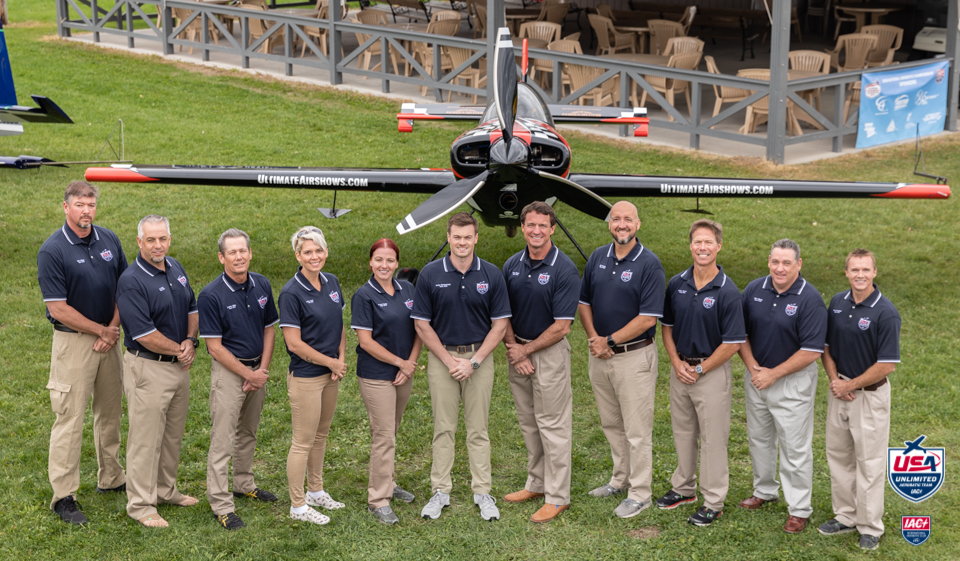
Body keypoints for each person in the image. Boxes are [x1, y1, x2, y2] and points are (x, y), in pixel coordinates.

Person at [37, 180, 127, 525]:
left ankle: (112, 477)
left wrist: (112, 329)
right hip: (74, 344)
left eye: (90, 205)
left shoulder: (109, 239)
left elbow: (126, 286)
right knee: (69, 418)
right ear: (66, 207)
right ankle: (64, 496)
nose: (86, 211)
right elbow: (58, 308)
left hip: (110, 338)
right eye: (79, 205)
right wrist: (100, 330)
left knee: (110, 412)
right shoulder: (53, 250)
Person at [412, 212, 511, 521]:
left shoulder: (492, 274)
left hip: (478, 360)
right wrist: (448, 360)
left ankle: (482, 492)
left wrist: (475, 361)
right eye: (457, 237)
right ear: (448, 237)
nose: (462, 242)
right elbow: (421, 323)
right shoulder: (430, 273)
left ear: (476, 238)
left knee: (478, 430)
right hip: (443, 360)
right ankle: (440, 491)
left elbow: (500, 324)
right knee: (443, 428)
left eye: (468, 237)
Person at [578, 200, 666, 519]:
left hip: (634, 357)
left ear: (638, 225)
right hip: (600, 356)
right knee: (612, 422)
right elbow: (583, 302)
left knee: (637, 428)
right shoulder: (598, 257)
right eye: (616, 219)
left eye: (628, 220)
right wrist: (594, 340)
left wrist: (610, 340)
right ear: (609, 224)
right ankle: (620, 479)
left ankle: (640, 492)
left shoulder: (649, 264)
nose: (622, 225)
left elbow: (648, 318)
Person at [655, 219, 744, 527]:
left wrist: (701, 368)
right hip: (680, 369)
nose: (702, 247)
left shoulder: (728, 291)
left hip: (711, 372)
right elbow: (666, 327)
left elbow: (733, 342)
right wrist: (676, 362)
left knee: (712, 438)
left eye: (708, 242)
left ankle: (714, 501)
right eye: (697, 242)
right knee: (682, 432)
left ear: (718, 246)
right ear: (690, 245)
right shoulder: (677, 283)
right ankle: (683, 488)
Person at [738, 239, 827, 534]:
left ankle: (799, 508)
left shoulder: (809, 298)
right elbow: (741, 334)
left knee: (795, 447)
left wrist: (773, 375)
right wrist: (754, 369)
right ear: (768, 261)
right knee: (759, 438)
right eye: (775, 261)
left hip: (792, 381)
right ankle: (764, 490)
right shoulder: (753, 290)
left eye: (787, 263)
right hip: (757, 377)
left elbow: (812, 351)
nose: (780, 268)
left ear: (798, 264)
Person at [116, 214, 200, 528]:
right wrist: (181, 349)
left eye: (162, 238)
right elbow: (143, 333)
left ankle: (165, 490)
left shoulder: (175, 267)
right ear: (139, 242)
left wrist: (191, 340)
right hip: (148, 368)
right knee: (144, 439)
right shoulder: (131, 280)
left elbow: (192, 307)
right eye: (150, 239)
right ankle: (141, 505)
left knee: (172, 436)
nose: (157, 245)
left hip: (179, 367)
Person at [500, 202, 579, 523]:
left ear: (552, 229)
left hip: (548, 354)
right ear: (522, 228)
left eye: (542, 226)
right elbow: (501, 312)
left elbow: (563, 326)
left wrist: (526, 350)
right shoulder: (511, 265)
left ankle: (558, 496)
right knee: (529, 422)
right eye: (530, 225)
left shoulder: (564, 269)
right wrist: (512, 347)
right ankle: (537, 482)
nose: (536, 231)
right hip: (516, 351)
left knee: (553, 424)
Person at [818, 249, 900, 552]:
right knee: (839, 458)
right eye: (854, 270)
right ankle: (846, 515)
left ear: (875, 272)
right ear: (846, 272)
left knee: (869, 462)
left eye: (866, 270)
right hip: (840, 393)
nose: (860, 275)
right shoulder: (838, 303)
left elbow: (887, 364)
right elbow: (825, 346)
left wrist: (849, 384)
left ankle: (870, 526)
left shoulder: (885, 312)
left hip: (869, 397)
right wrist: (835, 381)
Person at [198, 229, 279, 531]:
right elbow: (214, 347)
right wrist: (248, 375)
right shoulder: (211, 295)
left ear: (250, 253)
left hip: (257, 372)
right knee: (223, 439)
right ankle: (221, 504)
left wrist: (261, 372)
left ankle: (244, 483)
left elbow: (270, 328)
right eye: (231, 252)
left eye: (243, 250)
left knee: (249, 431)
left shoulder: (262, 284)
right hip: (231, 374)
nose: (239, 256)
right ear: (221, 257)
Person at [350, 239, 423, 525]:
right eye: (379, 260)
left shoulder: (408, 289)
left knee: (391, 430)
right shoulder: (363, 295)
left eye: (390, 260)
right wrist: (400, 363)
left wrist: (410, 364)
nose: (384, 265)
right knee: (383, 436)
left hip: (404, 372)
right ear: (371, 263)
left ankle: (389, 482)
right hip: (377, 375)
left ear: (396, 263)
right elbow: (366, 342)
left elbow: (420, 327)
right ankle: (378, 499)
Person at [278, 226, 347, 526]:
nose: (314, 256)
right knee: (303, 441)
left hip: (331, 374)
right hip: (307, 376)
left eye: (319, 250)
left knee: (321, 435)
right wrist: (331, 363)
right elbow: (294, 343)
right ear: (298, 255)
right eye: (308, 251)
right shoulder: (291, 292)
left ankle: (316, 491)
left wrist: (341, 359)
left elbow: (339, 324)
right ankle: (297, 505)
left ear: (326, 251)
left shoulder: (332, 282)